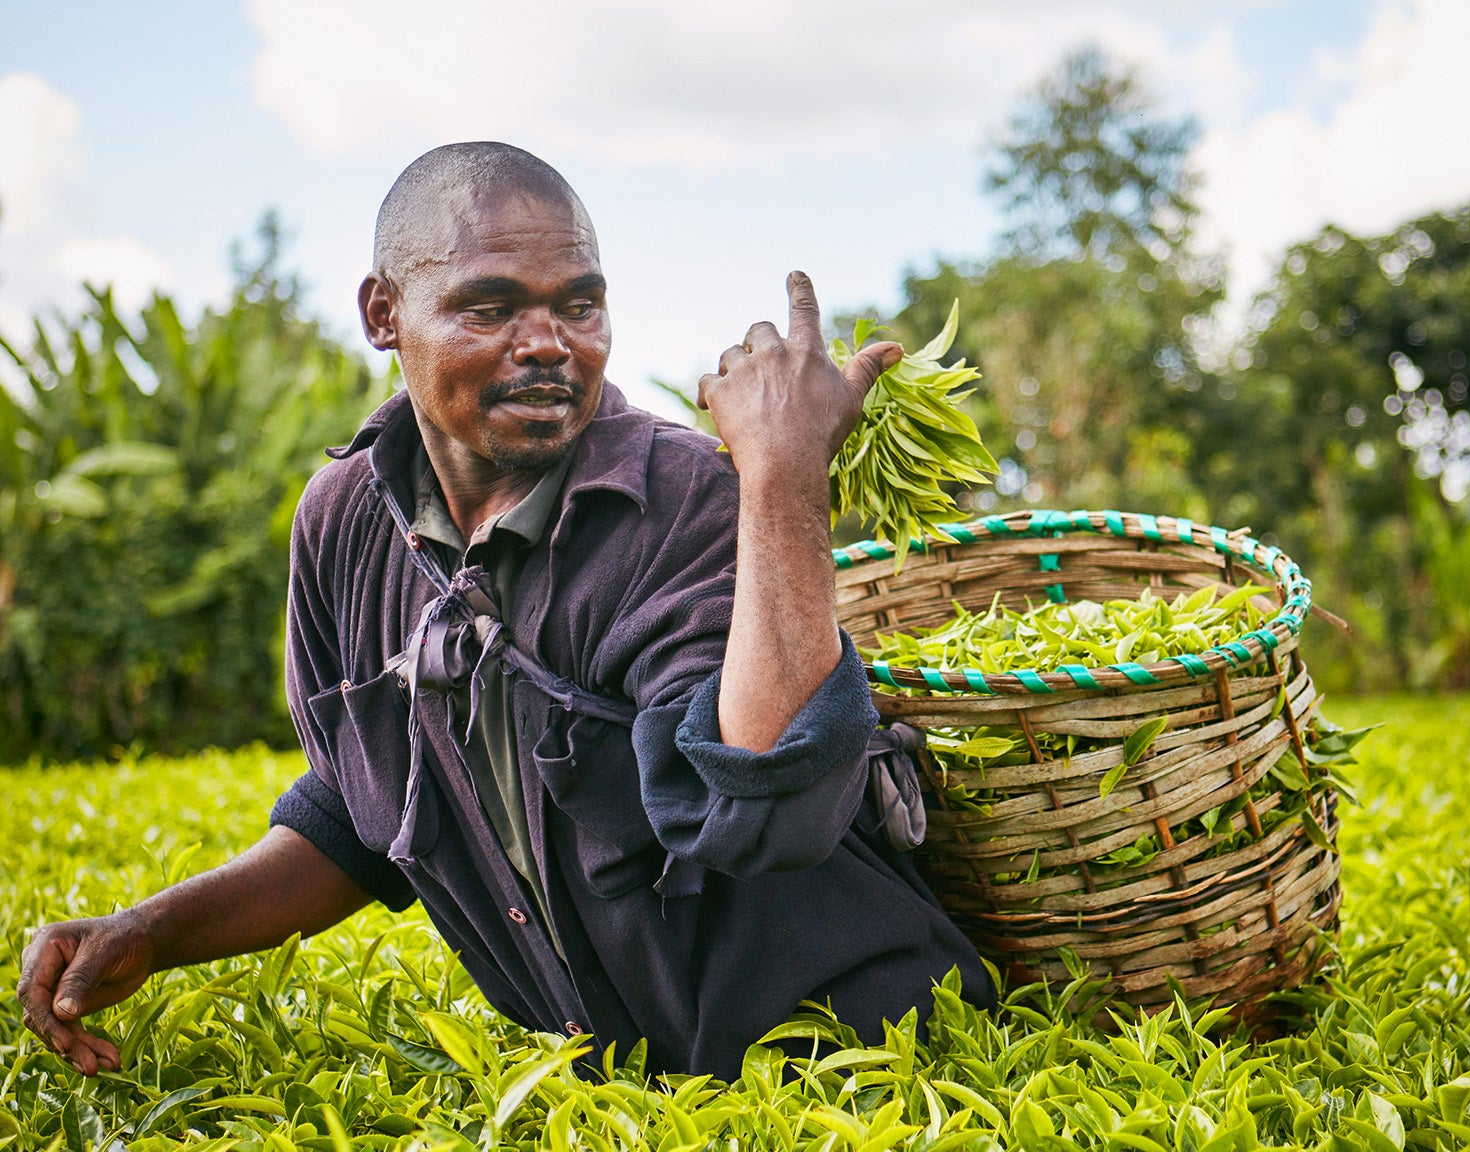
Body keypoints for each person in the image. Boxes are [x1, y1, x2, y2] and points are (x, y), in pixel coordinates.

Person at [18, 142, 990, 1080]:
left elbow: (763, 815)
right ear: (383, 313)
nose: (547, 345)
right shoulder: (345, 523)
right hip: (620, 1088)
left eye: (580, 305)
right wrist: (153, 931)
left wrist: (783, 473)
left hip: (857, 1058)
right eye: (489, 308)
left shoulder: (682, 497)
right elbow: (357, 819)